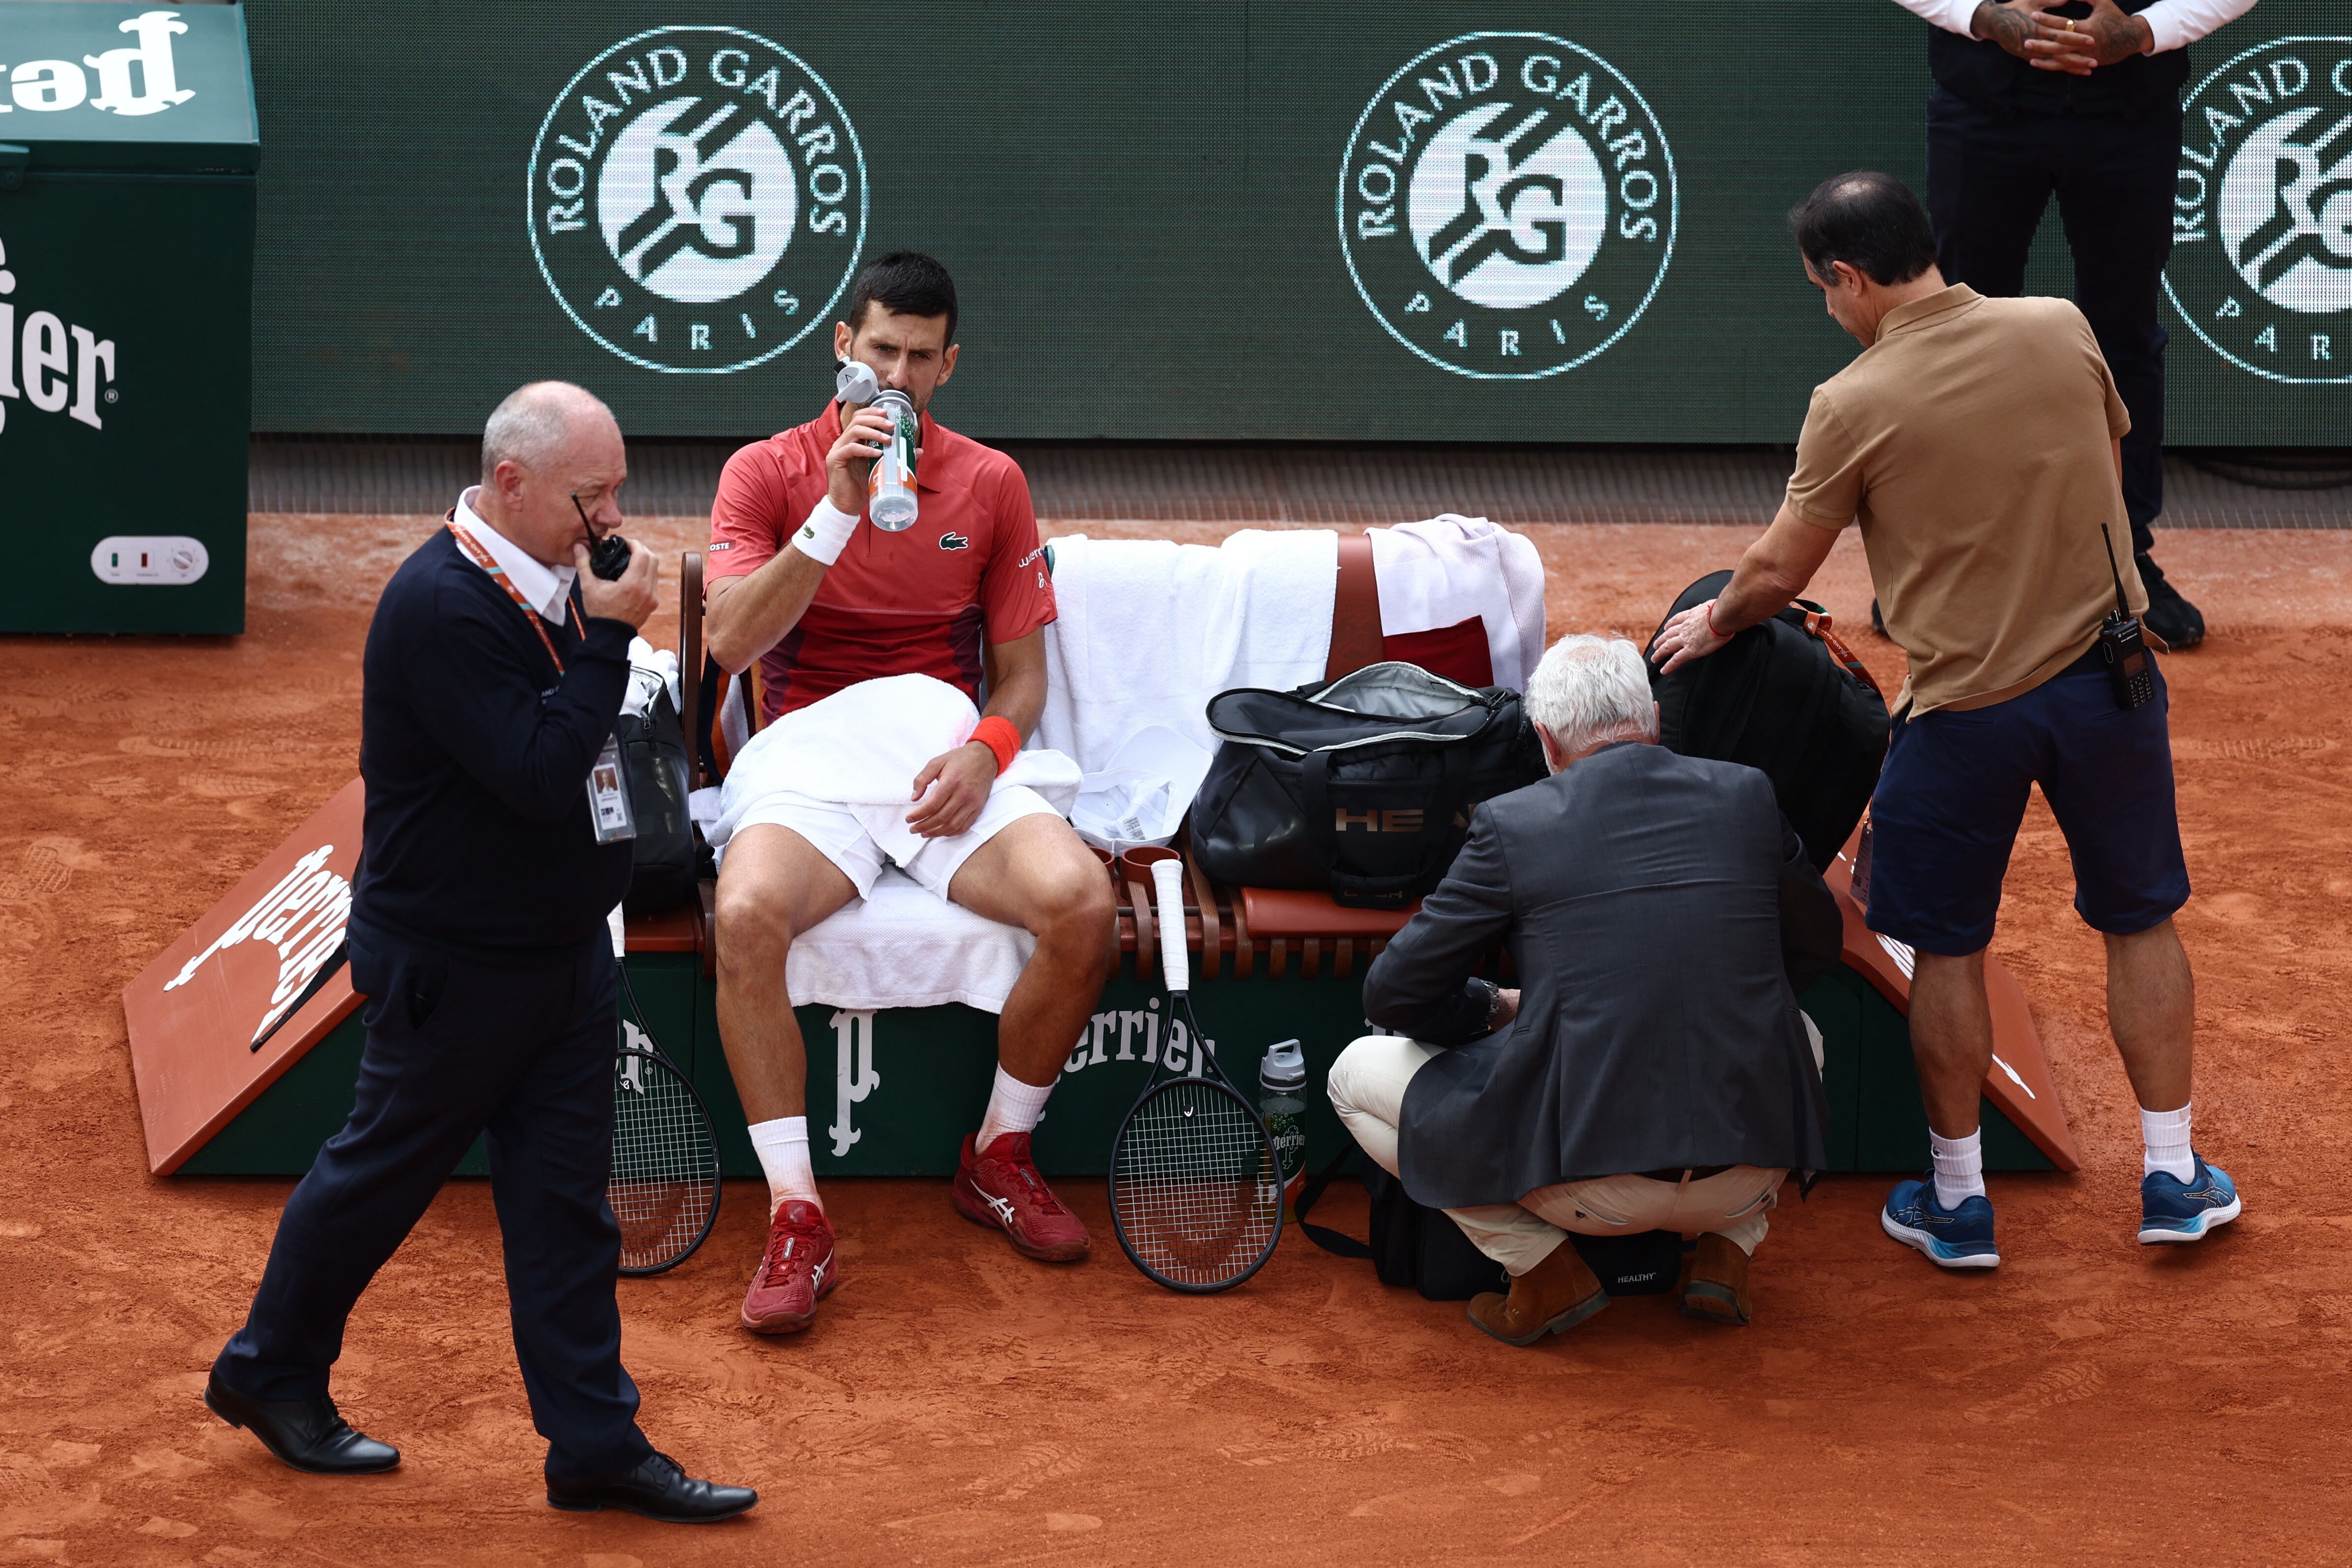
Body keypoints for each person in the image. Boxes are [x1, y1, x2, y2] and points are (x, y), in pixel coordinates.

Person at [1651, 172, 2242, 1270]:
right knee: (2139, 922)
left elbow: (1780, 567)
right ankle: (2171, 1175)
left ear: (1850, 278)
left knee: (1946, 948)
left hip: (1962, 715)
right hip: (2106, 691)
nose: (1826, 311)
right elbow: (2099, 473)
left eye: (1821, 292)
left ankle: (1958, 1202)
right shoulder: (2058, 328)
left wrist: (1714, 624)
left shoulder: (1850, 401)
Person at [205, 383, 756, 1523]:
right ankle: (268, 1372)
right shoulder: (443, 607)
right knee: (377, 1178)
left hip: (558, 963)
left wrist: (597, 634)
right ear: (511, 484)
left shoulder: (546, 580)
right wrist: (610, 641)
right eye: (587, 494)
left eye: (615, 490)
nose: (610, 518)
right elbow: (539, 771)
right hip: (455, 970)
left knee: (566, 1212)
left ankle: (594, 1445)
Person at [701, 252, 1115, 1334]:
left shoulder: (991, 483)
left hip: (937, 757)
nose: (894, 372)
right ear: (842, 346)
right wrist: (835, 508)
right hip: (806, 762)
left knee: (1081, 906)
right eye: (878, 348)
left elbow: (1021, 679)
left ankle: (997, 1154)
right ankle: (798, 1215)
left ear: (947, 368)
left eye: (918, 357)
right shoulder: (763, 472)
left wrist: (984, 749)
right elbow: (731, 637)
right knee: (742, 917)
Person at [1326, 635, 1843, 1345]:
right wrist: (1726, 998)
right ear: (1654, 722)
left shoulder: (1514, 823)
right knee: (1803, 1035)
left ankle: (1543, 1271)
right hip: (1749, 1169)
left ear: (1547, 741)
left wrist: (1494, 1007)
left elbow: (1393, 993)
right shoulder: (1750, 795)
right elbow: (1818, 944)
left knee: (1353, 1075)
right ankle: (1729, 1247)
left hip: (1586, 1192)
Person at [1887, 0, 2267, 650]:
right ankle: (1956, 566)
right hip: (1983, 107)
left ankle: (2123, 566)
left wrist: (2146, 31)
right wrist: (1979, 14)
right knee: (1961, 341)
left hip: (2130, 114)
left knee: (2124, 339)